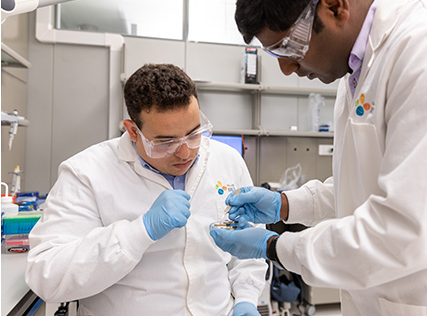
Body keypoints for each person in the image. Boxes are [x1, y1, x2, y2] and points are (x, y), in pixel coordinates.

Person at [208, 0, 427, 315]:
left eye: (288, 47)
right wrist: (285, 205)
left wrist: (276, 246)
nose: (287, 67)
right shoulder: (358, 69)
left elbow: (403, 230)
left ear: (334, 6)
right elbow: (364, 187)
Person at [25, 64, 267, 315]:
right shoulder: (85, 173)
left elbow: (249, 244)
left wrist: (246, 298)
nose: (185, 153)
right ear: (132, 131)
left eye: (194, 133)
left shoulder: (226, 160)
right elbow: (47, 277)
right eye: (166, 142)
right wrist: (139, 232)